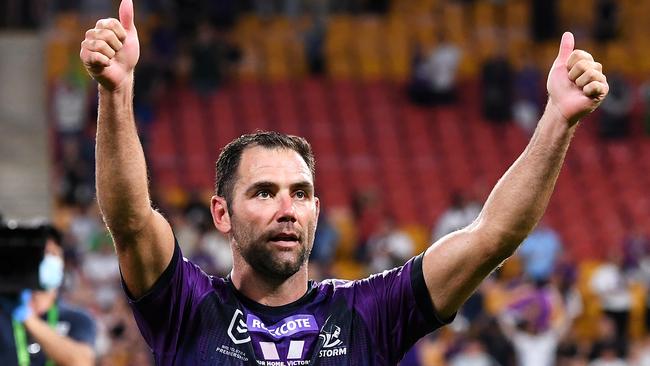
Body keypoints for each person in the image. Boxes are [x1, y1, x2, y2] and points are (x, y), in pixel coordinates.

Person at [79, 0, 609, 364]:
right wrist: (117, 92)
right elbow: (129, 219)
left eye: (301, 193)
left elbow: (494, 235)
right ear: (222, 213)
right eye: (263, 192)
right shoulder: (186, 308)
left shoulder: (369, 314)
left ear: (316, 211)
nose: (287, 207)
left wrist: (558, 120)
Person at [0, 224, 96, 366]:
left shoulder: (77, 319)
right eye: (41, 254)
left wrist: (26, 316)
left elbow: (81, 361)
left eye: (52, 254)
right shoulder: (3, 313)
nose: (45, 259)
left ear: (62, 263)